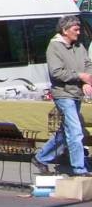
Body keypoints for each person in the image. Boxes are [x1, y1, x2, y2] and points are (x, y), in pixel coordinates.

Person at [34, 15, 92, 176]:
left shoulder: (79, 46)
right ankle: (80, 169)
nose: (78, 32)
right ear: (65, 31)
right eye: (76, 29)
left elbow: (88, 64)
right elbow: (56, 72)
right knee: (75, 130)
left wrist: (87, 80)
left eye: (79, 29)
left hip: (76, 94)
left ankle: (41, 157)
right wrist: (80, 76)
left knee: (66, 132)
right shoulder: (54, 48)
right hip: (63, 94)